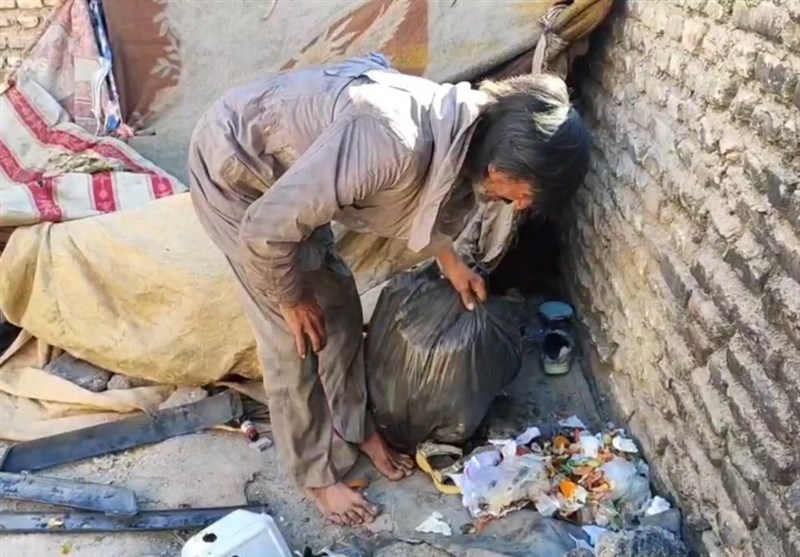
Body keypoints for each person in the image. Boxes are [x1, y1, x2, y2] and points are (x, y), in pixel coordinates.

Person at [188, 53, 590, 526]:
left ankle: (355, 427)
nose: (520, 205)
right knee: (292, 339)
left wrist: (452, 263)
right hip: (236, 171)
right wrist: (291, 299)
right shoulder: (391, 140)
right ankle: (316, 476)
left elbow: (432, 193)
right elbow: (265, 232)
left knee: (338, 308)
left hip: (290, 181)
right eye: (526, 192)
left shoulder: (466, 131)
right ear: (506, 158)